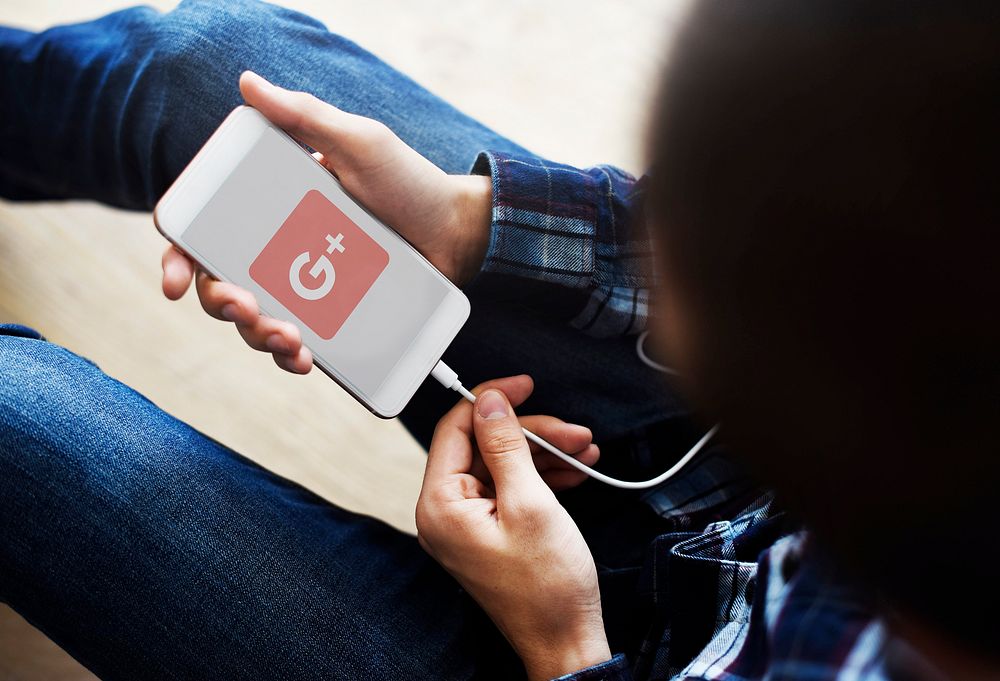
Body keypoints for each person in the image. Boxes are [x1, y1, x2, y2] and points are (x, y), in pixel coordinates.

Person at [1, 1, 996, 679]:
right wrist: (468, 219)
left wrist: (563, 645)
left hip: (596, 656)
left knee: (18, 420)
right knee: (209, 60)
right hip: (734, 489)